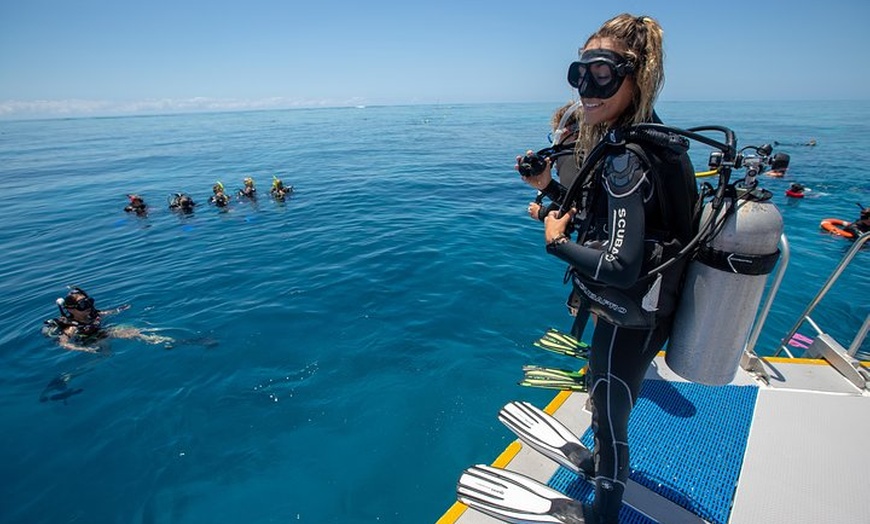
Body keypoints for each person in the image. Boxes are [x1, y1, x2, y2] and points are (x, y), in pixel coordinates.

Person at [537, 14, 698, 522]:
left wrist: (557, 243)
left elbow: (620, 264)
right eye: (579, 73)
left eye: (602, 73)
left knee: (609, 413)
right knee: (610, 402)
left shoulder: (625, 158)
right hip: (652, 304)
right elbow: (625, 223)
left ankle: (603, 512)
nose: (586, 87)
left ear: (638, 75)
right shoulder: (654, 141)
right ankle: (601, 468)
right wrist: (550, 190)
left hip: (630, 309)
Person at [43, 287, 173, 353]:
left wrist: (121, 309)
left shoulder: (93, 315)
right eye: (83, 305)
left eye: (89, 302)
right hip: (89, 342)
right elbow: (63, 343)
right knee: (106, 349)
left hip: (103, 333)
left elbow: (109, 312)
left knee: (128, 330)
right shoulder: (71, 327)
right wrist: (84, 350)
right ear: (71, 309)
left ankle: (157, 339)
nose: (88, 307)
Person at [519, 101, 582, 223]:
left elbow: (579, 208)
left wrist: (542, 213)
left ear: (567, 132)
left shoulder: (571, 158)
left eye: (555, 135)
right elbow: (577, 198)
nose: (555, 142)